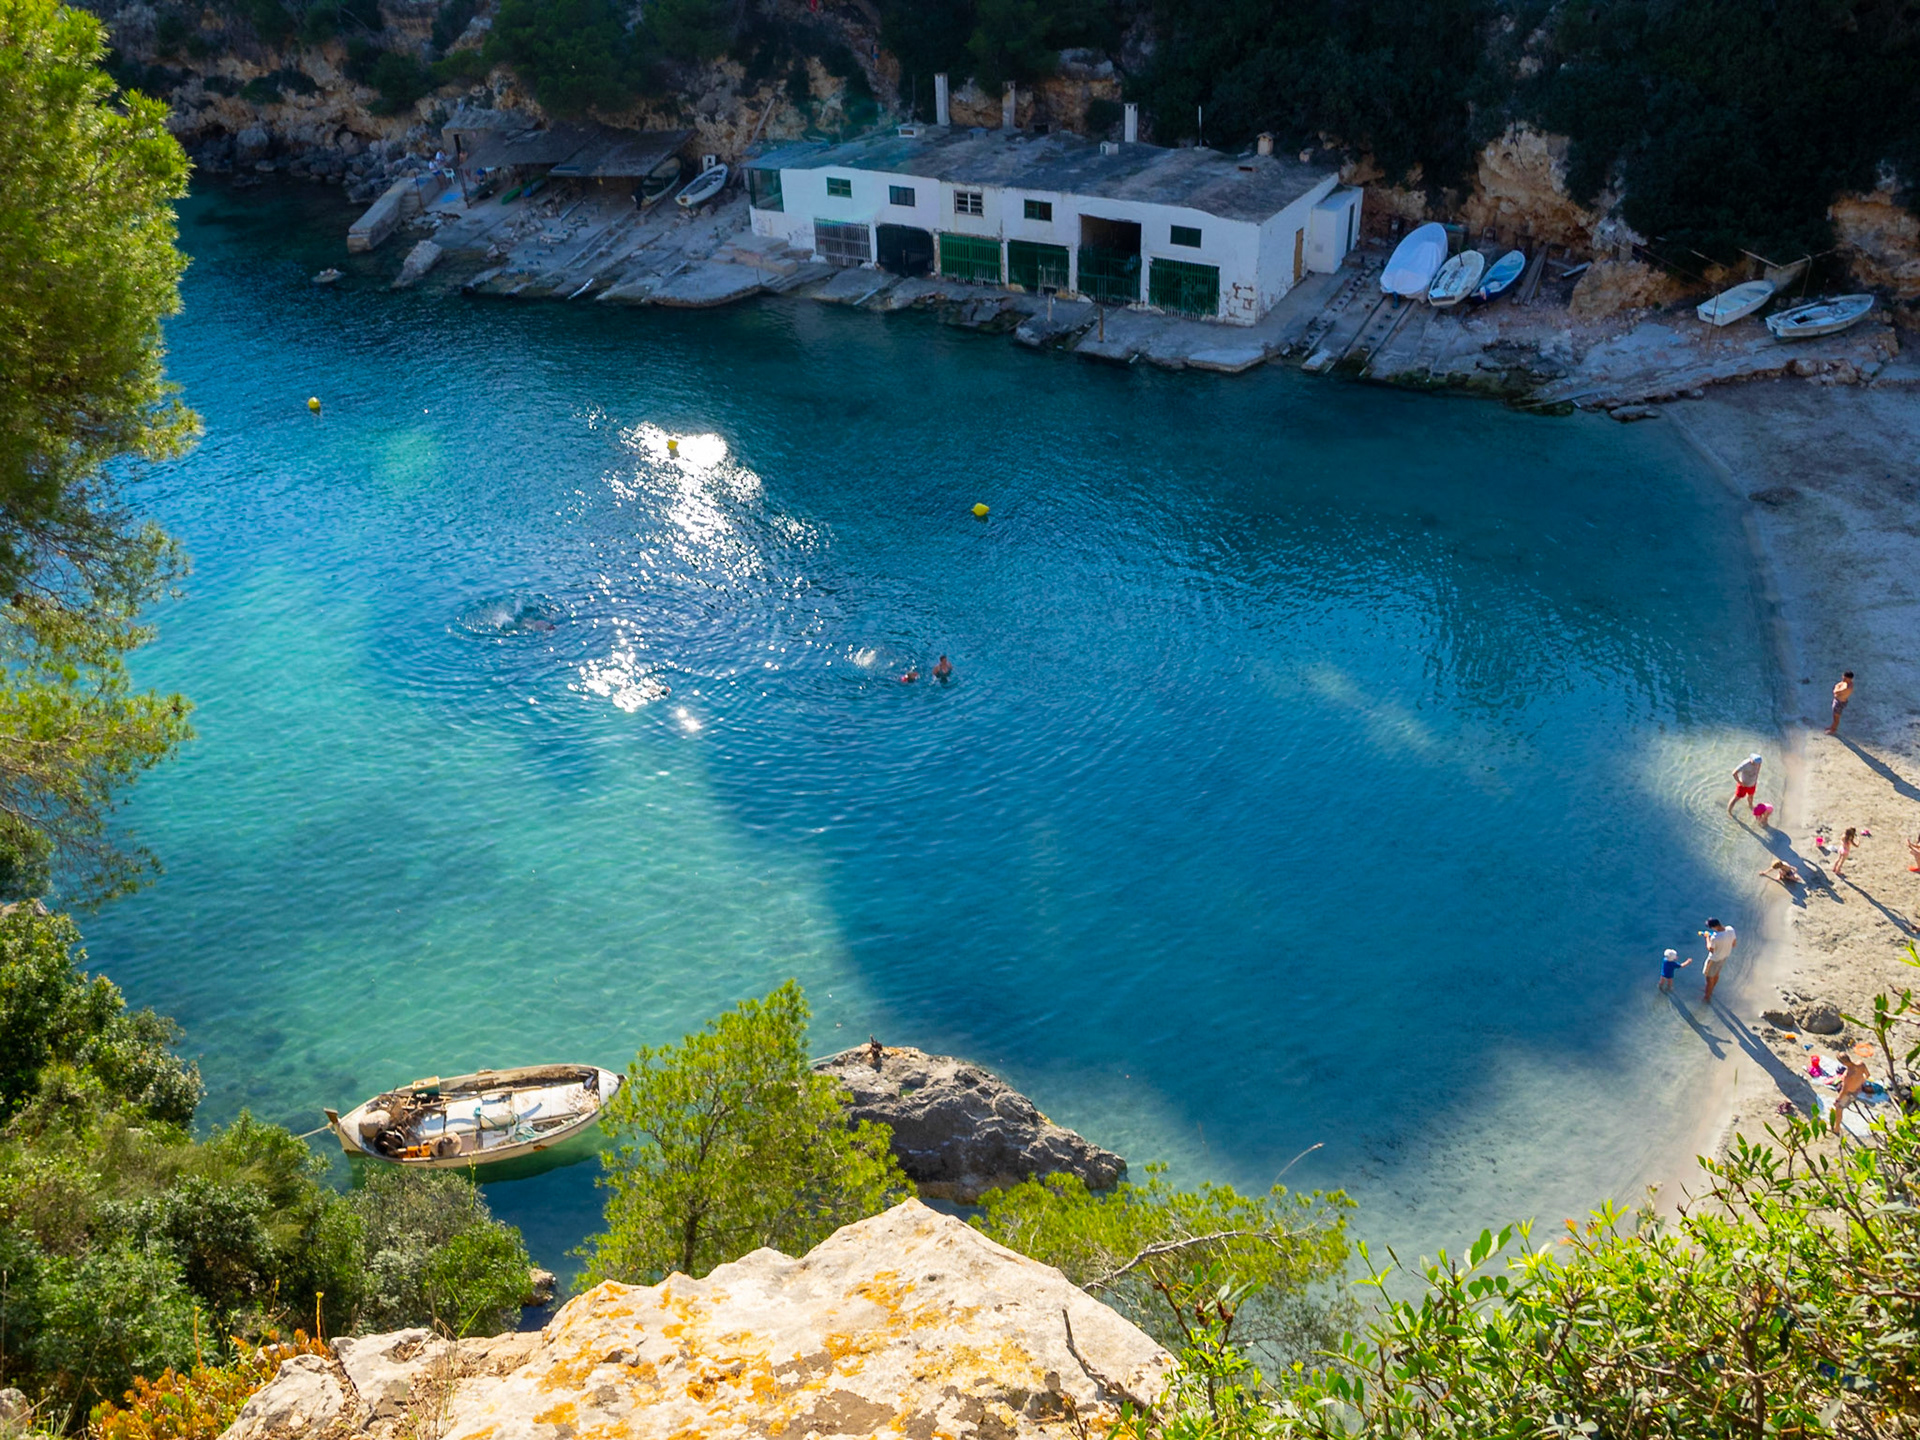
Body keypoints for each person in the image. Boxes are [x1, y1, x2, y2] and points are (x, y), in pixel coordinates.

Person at [1832, 1051, 1870, 1134]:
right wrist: (1860, 1082)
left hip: (1849, 1093)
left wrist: (1837, 1100)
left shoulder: (1848, 1075)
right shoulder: (1861, 1064)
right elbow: (1867, 1075)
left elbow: (1844, 1090)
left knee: (1839, 1108)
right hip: (1857, 1090)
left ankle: (1836, 1128)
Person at [1701, 918, 1737, 1003]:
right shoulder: (1730, 929)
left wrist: (1707, 938)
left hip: (1714, 960)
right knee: (1716, 973)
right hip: (1724, 957)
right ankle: (1711, 989)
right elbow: (1734, 944)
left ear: (1713, 927)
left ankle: (1707, 997)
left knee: (1709, 978)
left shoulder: (1715, 937)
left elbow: (1711, 949)